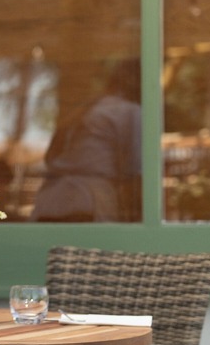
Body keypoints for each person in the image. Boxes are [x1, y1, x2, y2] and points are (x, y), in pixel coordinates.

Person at [31, 58, 141, 222]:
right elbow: (136, 173)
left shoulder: (88, 108)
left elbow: (51, 156)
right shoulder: (129, 112)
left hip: (50, 201)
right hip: (87, 202)